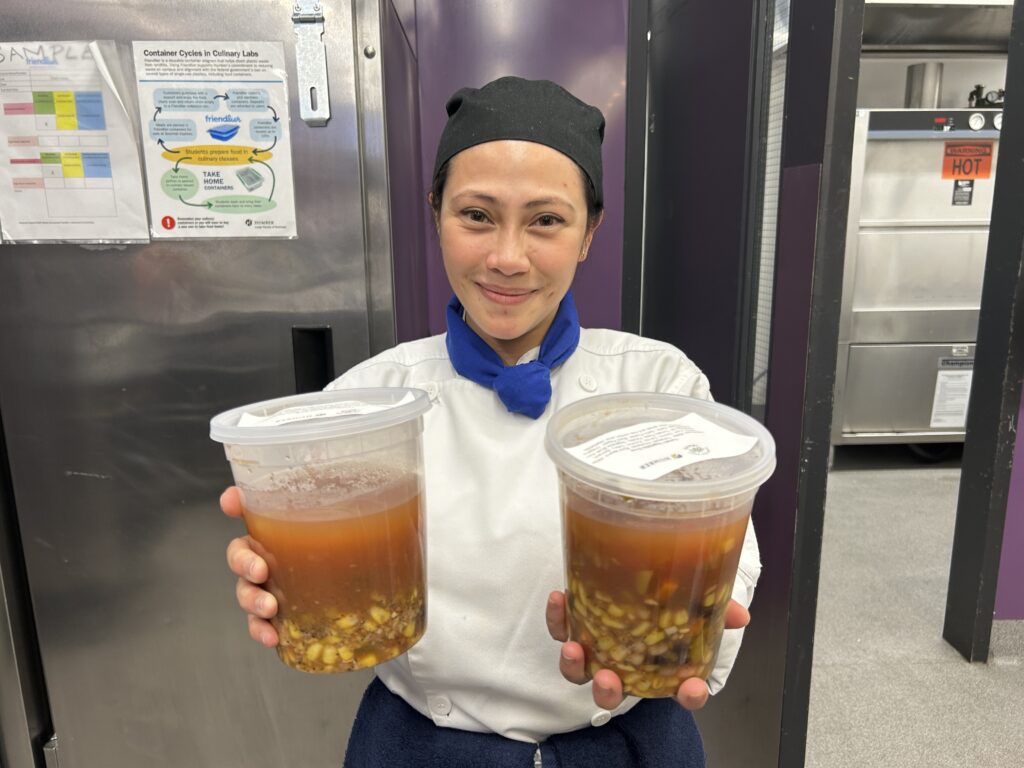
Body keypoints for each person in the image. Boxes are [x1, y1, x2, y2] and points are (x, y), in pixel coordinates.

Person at [222, 76, 761, 767]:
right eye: (476, 215)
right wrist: (279, 570)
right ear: (436, 214)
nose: (508, 257)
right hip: (421, 743)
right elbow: (323, 569)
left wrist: (695, 637)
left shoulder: (658, 382)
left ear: (590, 232)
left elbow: (725, 539)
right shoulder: (370, 397)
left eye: (546, 220)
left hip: (624, 734)